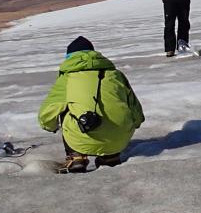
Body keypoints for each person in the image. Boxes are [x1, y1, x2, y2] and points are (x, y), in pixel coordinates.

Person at [38, 36, 146, 173]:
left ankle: (76, 157)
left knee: (66, 108)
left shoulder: (67, 78)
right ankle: (110, 156)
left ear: (69, 58)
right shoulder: (116, 75)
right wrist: (134, 123)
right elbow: (134, 107)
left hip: (83, 135)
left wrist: (50, 126)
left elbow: (48, 111)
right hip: (120, 138)